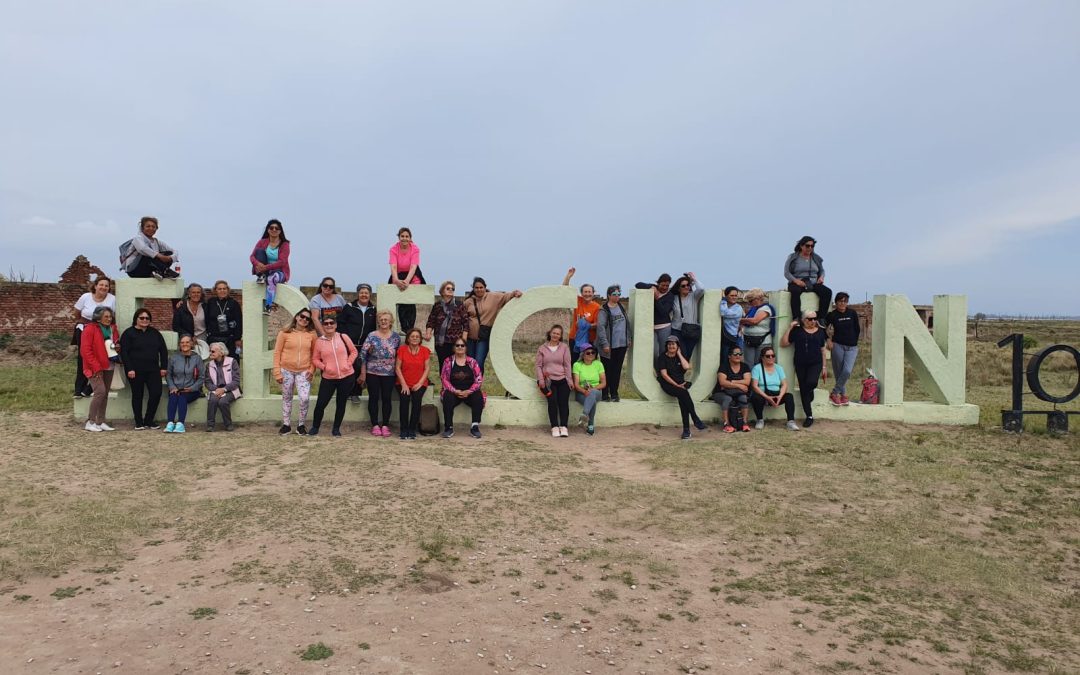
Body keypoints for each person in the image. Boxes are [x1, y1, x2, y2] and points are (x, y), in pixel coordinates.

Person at [120, 308, 168, 430]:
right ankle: (138, 421)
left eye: (147, 318)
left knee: (156, 393)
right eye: (142, 318)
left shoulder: (155, 333)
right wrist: (129, 368)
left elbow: (163, 350)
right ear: (136, 319)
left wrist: (163, 367)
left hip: (153, 370)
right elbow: (124, 353)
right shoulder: (128, 333)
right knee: (137, 395)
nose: (145, 320)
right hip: (135, 371)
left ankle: (149, 420)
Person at [309, 315, 358, 437]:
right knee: (321, 404)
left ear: (335, 325)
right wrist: (325, 367)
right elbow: (315, 359)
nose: (329, 325)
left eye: (331, 323)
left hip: (346, 377)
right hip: (329, 378)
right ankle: (315, 427)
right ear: (323, 326)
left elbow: (354, 351)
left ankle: (336, 429)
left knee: (341, 404)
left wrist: (348, 363)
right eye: (326, 323)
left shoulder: (343, 337)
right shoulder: (319, 342)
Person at [781, 310, 829, 428]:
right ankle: (809, 416)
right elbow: (784, 343)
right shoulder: (797, 331)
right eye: (810, 319)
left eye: (815, 318)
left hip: (816, 363)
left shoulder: (821, 331)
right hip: (800, 363)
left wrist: (824, 367)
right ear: (803, 320)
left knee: (811, 382)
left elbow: (823, 350)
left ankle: (810, 392)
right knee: (804, 389)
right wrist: (790, 328)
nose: (813, 321)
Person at [273, 309, 317, 435]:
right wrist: (277, 372)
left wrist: (312, 370)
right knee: (287, 397)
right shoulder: (284, 333)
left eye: (307, 318)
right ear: (296, 317)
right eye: (302, 316)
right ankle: (286, 425)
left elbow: (314, 354)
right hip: (286, 370)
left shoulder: (312, 335)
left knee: (304, 398)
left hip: (304, 371)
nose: (304, 319)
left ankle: (301, 425)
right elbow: (277, 353)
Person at [464, 277, 522, 373]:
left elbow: (506, 296)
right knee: (470, 362)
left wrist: (515, 293)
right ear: (473, 289)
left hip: (483, 338)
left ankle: (478, 382)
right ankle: (472, 382)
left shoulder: (493, 297)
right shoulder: (468, 302)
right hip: (470, 338)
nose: (479, 290)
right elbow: (463, 318)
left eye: (481, 287)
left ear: (485, 287)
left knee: (479, 362)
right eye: (476, 288)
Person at [359, 310, 401, 437]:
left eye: (386, 319)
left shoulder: (396, 338)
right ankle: (375, 425)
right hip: (372, 372)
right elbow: (363, 355)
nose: (383, 321)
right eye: (381, 319)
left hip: (389, 373)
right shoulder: (372, 335)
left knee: (387, 398)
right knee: (373, 398)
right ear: (378, 321)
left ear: (391, 322)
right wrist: (363, 373)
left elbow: (398, 356)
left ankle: (385, 425)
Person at [656, 335, 707, 439]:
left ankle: (687, 431)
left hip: (680, 384)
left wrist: (679, 353)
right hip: (668, 385)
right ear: (666, 346)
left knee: (683, 402)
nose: (671, 346)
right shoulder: (662, 357)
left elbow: (687, 367)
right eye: (669, 344)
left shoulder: (680, 356)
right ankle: (695, 419)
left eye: (673, 344)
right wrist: (676, 385)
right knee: (683, 393)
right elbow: (664, 375)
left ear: (678, 346)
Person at [72, 276, 115, 398]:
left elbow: (112, 316)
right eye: (101, 285)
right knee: (84, 358)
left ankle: (89, 388)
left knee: (102, 357)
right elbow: (76, 313)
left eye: (106, 286)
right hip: (85, 329)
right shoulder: (85, 297)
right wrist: (87, 324)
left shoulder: (112, 299)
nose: (103, 287)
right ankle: (79, 389)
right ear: (95, 286)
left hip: (102, 331)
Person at [80, 305, 118, 432]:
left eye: (110, 316)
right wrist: (96, 367)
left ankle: (100, 421)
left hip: (109, 365)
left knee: (105, 394)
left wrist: (117, 347)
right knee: (100, 392)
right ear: (98, 317)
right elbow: (86, 351)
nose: (109, 319)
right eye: (106, 316)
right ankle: (90, 421)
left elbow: (114, 343)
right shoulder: (90, 329)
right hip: (94, 367)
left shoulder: (112, 329)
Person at [339, 283, 377, 402]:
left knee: (360, 369)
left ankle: (355, 393)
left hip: (364, 346)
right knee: (347, 369)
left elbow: (374, 328)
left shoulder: (373, 309)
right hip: (349, 344)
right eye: (361, 292)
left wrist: (372, 343)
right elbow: (341, 324)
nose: (364, 295)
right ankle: (345, 393)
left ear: (370, 295)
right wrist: (344, 339)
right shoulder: (349, 307)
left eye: (366, 293)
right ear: (358, 294)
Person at [439, 340, 485, 438]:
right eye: (457, 345)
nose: (460, 347)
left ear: (466, 348)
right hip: (454, 392)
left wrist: (469, 391)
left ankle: (475, 427)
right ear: (454, 348)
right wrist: (454, 391)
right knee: (447, 396)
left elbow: (479, 379)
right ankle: (448, 427)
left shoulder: (472, 362)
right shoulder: (448, 361)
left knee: (478, 396)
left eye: (462, 345)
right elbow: (444, 378)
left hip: (469, 392)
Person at [783, 235, 832, 323]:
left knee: (827, 292)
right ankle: (796, 318)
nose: (810, 248)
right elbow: (786, 272)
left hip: (813, 283)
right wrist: (796, 281)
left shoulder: (816, 258)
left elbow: (822, 270)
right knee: (795, 291)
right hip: (798, 282)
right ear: (801, 246)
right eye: (807, 246)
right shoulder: (793, 257)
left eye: (812, 246)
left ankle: (821, 318)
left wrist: (821, 277)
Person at [536, 324, 573, 437]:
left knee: (563, 402)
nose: (555, 335)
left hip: (562, 379)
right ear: (550, 333)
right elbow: (538, 366)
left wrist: (569, 380)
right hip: (548, 381)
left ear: (560, 336)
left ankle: (564, 427)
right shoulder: (542, 348)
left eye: (558, 334)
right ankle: (554, 427)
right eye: (554, 333)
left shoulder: (564, 348)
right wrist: (541, 380)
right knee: (552, 402)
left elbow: (567, 365)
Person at [824, 292, 861, 406]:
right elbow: (822, 328)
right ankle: (843, 395)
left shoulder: (852, 313)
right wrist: (828, 340)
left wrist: (854, 341)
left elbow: (857, 328)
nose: (842, 303)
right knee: (839, 372)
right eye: (840, 301)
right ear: (836, 302)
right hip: (838, 346)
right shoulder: (832, 315)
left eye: (845, 301)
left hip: (852, 347)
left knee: (847, 371)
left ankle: (834, 393)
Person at [749, 346, 798, 430]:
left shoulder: (779, 368)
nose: (771, 357)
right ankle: (760, 420)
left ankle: (791, 422)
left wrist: (780, 396)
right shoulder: (757, 368)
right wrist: (767, 397)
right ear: (762, 358)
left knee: (789, 396)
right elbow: (754, 386)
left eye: (773, 355)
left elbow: (784, 384)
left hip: (776, 394)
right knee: (756, 397)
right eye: (768, 356)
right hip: (763, 395)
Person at [395, 328, 431, 440]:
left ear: (420, 339)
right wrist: (404, 384)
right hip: (403, 382)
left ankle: (412, 429)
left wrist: (420, 383)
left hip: (420, 383)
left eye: (417, 337)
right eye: (412, 336)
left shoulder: (425, 351)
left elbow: (427, 368)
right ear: (408, 338)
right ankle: (403, 429)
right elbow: (397, 368)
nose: (415, 338)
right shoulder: (402, 350)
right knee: (404, 399)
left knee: (416, 400)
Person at [250, 219, 291, 315]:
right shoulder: (262, 242)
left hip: (279, 271)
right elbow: (252, 256)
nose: (274, 230)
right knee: (259, 251)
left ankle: (268, 306)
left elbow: (282, 262)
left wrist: (266, 267)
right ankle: (261, 276)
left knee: (271, 279)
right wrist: (258, 264)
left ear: (280, 231)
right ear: (268, 230)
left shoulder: (284, 244)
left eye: (277, 228)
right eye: (271, 228)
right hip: (264, 270)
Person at [425, 280, 469, 368]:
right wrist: (428, 333)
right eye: (448, 288)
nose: (451, 290)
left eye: (452, 289)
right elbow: (431, 321)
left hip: (456, 342)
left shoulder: (459, 305)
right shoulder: (437, 306)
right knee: (443, 365)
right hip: (441, 342)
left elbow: (466, 324)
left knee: (455, 365)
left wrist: (463, 340)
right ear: (442, 291)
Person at [596, 284, 629, 402]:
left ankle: (614, 393)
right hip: (609, 346)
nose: (617, 296)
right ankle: (605, 394)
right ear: (609, 295)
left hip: (622, 345)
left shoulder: (621, 306)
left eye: (619, 294)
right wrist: (605, 344)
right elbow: (601, 328)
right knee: (607, 370)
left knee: (617, 370)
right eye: (614, 294)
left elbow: (627, 323)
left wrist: (628, 338)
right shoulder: (603, 310)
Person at [165, 334, 202, 433]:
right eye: (182, 342)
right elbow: (168, 375)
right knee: (173, 396)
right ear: (179, 344)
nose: (184, 344)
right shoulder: (173, 358)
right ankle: (170, 423)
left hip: (192, 390)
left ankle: (180, 424)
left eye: (187, 342)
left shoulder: (197, 358)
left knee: (182, 397)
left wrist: (192, 388)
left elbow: (201, 377)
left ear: (191, 344)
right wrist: (172, 387)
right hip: (176, 388)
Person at [562, 268, 601, 362]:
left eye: (589, 292)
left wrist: (585, 325)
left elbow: (597, 324)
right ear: (582, 293)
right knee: (574, 362)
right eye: (585, 292)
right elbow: (565, 290)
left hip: (589, 339)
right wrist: (568, 276)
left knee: (588, 363)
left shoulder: (597, 307)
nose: (587, 294)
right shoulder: (578, 301)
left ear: (593, 293)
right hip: (575, 338)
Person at [389, 227, 424, 331]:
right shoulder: (393, 249)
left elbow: (413, 266)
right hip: (398, 274)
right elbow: (393, 266)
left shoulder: (415, 248)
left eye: (407, 236)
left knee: (410, 300)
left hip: (413, 274)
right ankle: (404, 328)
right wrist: (396, 280)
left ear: (410, 238)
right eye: (402, 236)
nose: (404, 238)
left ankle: (410, 328)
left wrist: (407, 281)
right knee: (401, 301)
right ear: (399, 237)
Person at [712, 347, 751, 433]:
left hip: (737, 392)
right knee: (727, 399)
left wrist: (731, 381)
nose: (738, 356)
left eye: (740, 354)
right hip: (721, 392)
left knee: (743, 398)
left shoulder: (745, 366)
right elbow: (722, 382)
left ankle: (744, 423)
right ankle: (726, 424)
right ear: (729, 356)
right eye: (735, 354)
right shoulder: (724, 366)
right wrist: (739, 385)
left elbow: (747, 382)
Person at [204, 342, 241, 432]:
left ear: (221, 352)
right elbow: (207, 382)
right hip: (216, 390)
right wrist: (216, 389)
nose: (211, 353)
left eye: (213, 351)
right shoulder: (209, 365)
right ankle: (210, 425)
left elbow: (236, 381)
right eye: (210, 351)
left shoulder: (232, 362)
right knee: (212, 400)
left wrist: (224, 389)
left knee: (223, 402)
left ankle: (228, 424)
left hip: (231, 389)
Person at [635, 274, 674, 356]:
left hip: (664, 327)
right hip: (651, 327)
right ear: (658, 283)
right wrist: (650, 286)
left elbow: (664, 312)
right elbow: (638, 285)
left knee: (663, 351)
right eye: (663, 285)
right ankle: (657, 365)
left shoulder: (670, 296)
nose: (665, 287)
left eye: (667, 285)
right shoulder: (653, 288)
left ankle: (662, 365)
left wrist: (657, 299)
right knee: (654, 352)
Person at [572, 343, 606, 435]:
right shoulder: (577, 365)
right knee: (592, 401)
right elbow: (576, 384)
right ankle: (590, 425)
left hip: (596, 391)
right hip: (581, 393)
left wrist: (592, 389)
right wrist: (584, 391)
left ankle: (585, 414)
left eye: (593, 352)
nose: (591, 354)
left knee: (592, 393)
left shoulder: (598, 364)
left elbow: (603, 383)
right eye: (588, 353)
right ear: (582, 355)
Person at [206, 280, 243, 358]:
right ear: (215, 290)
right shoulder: (210, 302)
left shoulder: (234, 303)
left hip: (230, 338)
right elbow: (206, 318)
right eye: (219, 289)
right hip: (214, 338)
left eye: (224, 288)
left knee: (231, 361)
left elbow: (239, 321)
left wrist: (238, 338)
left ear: (228, 290)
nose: (222, 291)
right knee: (216, 360)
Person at [671, 273, 704, 358]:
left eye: (688, 285)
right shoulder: (674, 298)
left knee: (687, 355)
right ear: (678, 288)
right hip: (677, 330)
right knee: (680, 354)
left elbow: (701, 289)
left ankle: (682, 366)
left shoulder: (693, 296)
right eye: (683, 286)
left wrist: (693, 278)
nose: (686, 287)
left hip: (691, 330)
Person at [739, 288, 774, 369]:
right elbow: (749, 321)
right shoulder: (753, 309)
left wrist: (740, 320)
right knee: (748, 364)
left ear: (758, 298)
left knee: (759, 364)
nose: (749, 303)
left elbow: (755, 321)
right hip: (748, 340)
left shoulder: (765, 308)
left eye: (751, 301)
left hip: (762, 341)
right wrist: (746, 320)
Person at [719, 286, 744, 364]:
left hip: (736, 338)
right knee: (724, 360)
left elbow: (724, 313)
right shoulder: (724, 305)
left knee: (737, 361)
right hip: (725, 338)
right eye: (732, 295)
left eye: (735, 295)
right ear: (726, 296)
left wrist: (723, 301)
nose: (734, 297)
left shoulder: (738, 308)